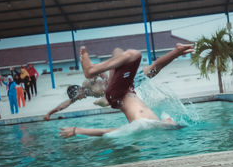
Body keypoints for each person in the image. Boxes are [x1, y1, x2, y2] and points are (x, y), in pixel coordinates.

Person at [59, 44, 192, 138]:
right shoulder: (158, 123)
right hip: (126, 89)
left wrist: (77, 130)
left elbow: (107, 131)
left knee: (134, 55)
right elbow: (170, 121)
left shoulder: (140, 125)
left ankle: (92, 71)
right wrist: (171, 122)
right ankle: (177, 51)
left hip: (117, 94)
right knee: (121, 52)